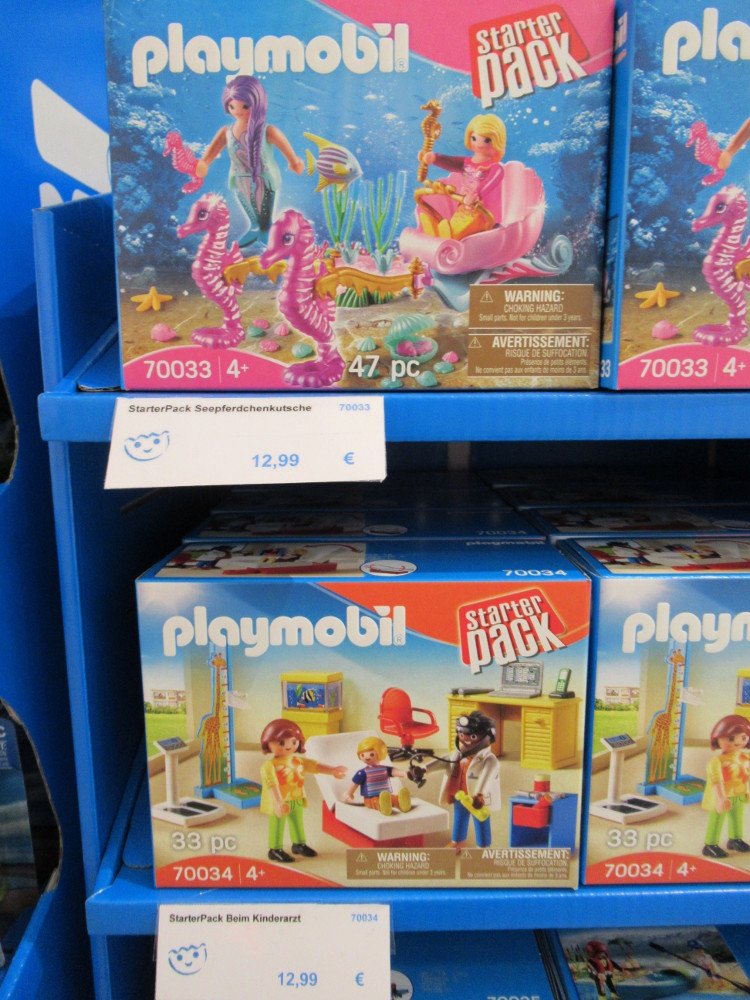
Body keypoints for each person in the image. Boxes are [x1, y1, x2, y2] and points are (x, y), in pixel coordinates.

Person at [196, 75, 304, 247]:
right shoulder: (226, 132)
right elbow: (210, 154)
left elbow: (285, 147)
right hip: (239, 179)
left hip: (264, 179)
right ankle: (255, 229)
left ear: (257, 104)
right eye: (232, 106)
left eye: (245, 106)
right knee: (250, 210)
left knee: (264, 214)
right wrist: (203, 163)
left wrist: (294, 161)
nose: (237, 111)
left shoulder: (267, 131)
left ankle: (266, 231)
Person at [259, 719, 345, 863]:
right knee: (278, 823)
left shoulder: (298, 761)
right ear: (268, 743)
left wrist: (332, 770)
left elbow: (314, 766)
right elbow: (271, 784)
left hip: (296, 798)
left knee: (297, 822)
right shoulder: (269, 765)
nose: (288, 746)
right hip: (280, 801)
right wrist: (278, 802)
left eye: (293, 742)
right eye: (281, 743)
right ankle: (274, 849)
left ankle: (299, 844)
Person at [415, 113, 506, 241]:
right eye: (474, 138)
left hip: (483, 214)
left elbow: (488, 185)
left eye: (486, 140)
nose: (479, 144)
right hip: (464, 207)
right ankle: (438, 232)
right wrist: (434, 158)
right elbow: (451, 162)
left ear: (497, 141)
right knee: (456, 225)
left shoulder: (496, 168)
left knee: (460, 232)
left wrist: (475, 195)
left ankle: (448, 236)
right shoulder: (467, 162)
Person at [702, 714, 750, 859]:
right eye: (731, 738)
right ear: (717, 739)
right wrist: (721, 797)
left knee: (737, 818)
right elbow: (716, 781)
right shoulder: (716, 762)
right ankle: (710, 845)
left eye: (743, 737)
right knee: (717, 819)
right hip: (722, 796)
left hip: (739, 794)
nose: (738, 742)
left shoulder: (745, 757)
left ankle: (735, 839)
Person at [345, 736, 412, 814]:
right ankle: (383, 807)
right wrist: (349, 793)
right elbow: (355, 783)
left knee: (392, 798)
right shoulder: (362, 772)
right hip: (370, 798)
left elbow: (394, 771)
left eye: (371, 754)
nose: (366, 757)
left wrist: (404, 773)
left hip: (386, 795)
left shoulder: (385, 769)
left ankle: (401, 802)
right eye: (362, 755)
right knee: (376, 801)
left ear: (380, 753)